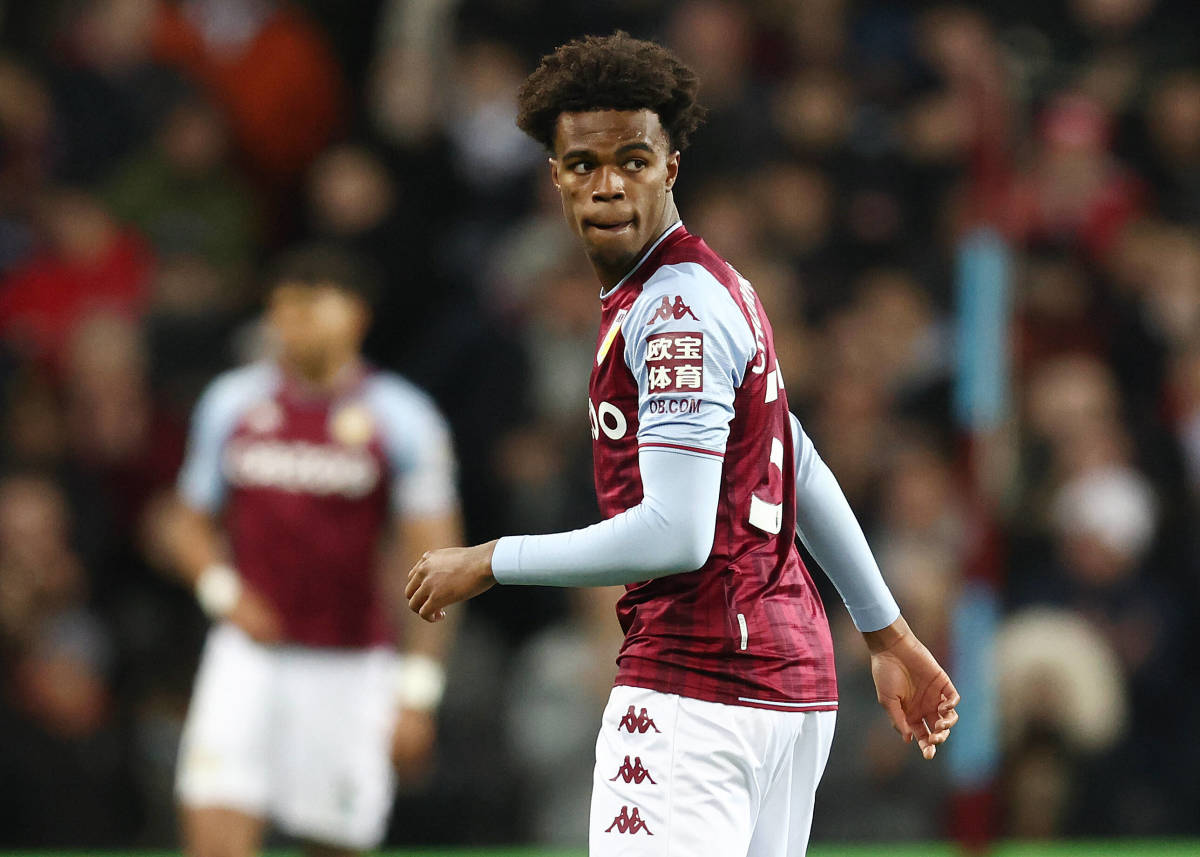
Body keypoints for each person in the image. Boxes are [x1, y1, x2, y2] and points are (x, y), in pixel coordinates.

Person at [405, 32, 959, 856]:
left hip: (701, 686)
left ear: (671, 166)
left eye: (633, 159)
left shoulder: (670, 311)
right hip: (782, 688)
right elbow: (793, 453)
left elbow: (676, 532)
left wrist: (489, 559)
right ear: (554, 174)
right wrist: (884, 631)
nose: (608, 184)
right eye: (584, 164)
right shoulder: (713, 284)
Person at [166, 245, 461, 857]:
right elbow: (183, 522)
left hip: (350, 665)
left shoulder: (401, 418)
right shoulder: (232, 403)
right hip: (249, 654)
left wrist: (417, 690)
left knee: (332, 844)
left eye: (311, 308)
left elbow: (440, 561)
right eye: (283, 309)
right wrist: (224, 593)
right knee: (213, 830)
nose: (292, 324)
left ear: (355, 315)